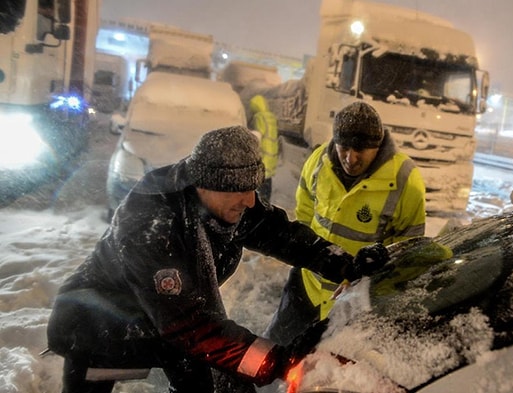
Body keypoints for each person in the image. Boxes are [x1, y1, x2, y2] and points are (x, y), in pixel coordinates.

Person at [46, 126, 390, 393]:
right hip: (99, 327)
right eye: (240, 190)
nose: (251, 201)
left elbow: (280, 233)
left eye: (254, 187)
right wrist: (281, 361)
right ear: (205, 184)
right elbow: (191, 326)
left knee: (223, 381)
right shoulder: (154, 224)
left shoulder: (228, 203)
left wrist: (343, 263)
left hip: (166, 324)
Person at [266, 101, 426, 345]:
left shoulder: (405, 179)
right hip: (307, 284)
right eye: (344, 147)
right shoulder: (319, 161)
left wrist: (366, 278)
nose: (350, 158)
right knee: (275, 345)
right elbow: (306, 208)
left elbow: (409, 246)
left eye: (360, 149)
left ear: (377, 145)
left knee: (319, 370)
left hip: (354, 300)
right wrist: (304, 256)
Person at [249, 94, 279, 202]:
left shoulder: (259, 117)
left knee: (259, 189)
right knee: (267, 185)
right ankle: (266, 207)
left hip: (264, 156)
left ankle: (260, 209)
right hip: (271, 157)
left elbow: (258, 136)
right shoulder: (271, 117)